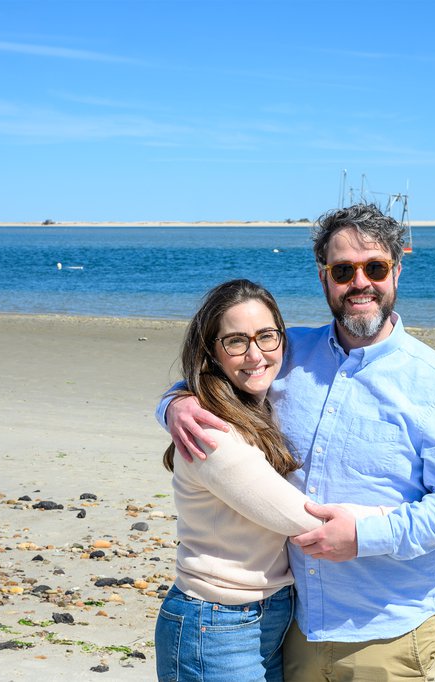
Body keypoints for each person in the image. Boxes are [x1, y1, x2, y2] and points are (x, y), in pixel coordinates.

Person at [160, 205, 435, 681]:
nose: (360, 283)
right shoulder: (287, 351)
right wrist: (175, 403)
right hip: (296, 625)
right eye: (343, 271)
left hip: (387, 628)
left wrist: (364, 535)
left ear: (396, 271)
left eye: (374, 267)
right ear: (324, 278)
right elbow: (221, 370)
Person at [154, 278, 389, 682]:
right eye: (235, 341)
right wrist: (401, 516)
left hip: (264, 616)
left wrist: (172, 400)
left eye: (266, 336)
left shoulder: (256, 404)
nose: (255, 354)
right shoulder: (212, 432)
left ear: (282, 337)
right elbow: (304, 519)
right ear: (211, 351)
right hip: (216, 623)